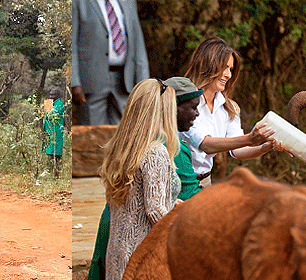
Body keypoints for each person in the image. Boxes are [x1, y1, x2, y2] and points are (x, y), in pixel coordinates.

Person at [98, 79, 180, 280]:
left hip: (118, 251)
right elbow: (154, 210)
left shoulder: (121, 149)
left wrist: (172, 203)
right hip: (142, 257)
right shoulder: (155, 153)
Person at [181, 37, 276, 187]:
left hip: (205, 182)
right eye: (224, 67)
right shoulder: (185, 103)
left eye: (231, 69)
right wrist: (250, 138)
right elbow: (205, 144)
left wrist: (265, 147)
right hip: (178, 181)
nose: (228, 75)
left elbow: (238, 151)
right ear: (208, 65)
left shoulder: (229, 107)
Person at [71, 0, 149, 125]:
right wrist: (74, 82)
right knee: (92, 133)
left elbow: (138, 43)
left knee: (123, 132)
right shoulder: (79, 3)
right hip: (91, 81)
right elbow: (71, 44)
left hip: (124, 80)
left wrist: (144, 82)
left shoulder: (128, 2)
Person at [43, 88, 65, 177]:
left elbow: (52, 114)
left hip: (57, 132)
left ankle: (56, 173)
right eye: (50, 94)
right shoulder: (49, 103)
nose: (51, 97)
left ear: (58, 95)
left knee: (56, 153)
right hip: (49, 131)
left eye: (53, 95)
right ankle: (48, 171)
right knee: (49, 151)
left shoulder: (60, 104)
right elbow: (45, 116)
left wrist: (47, 107)